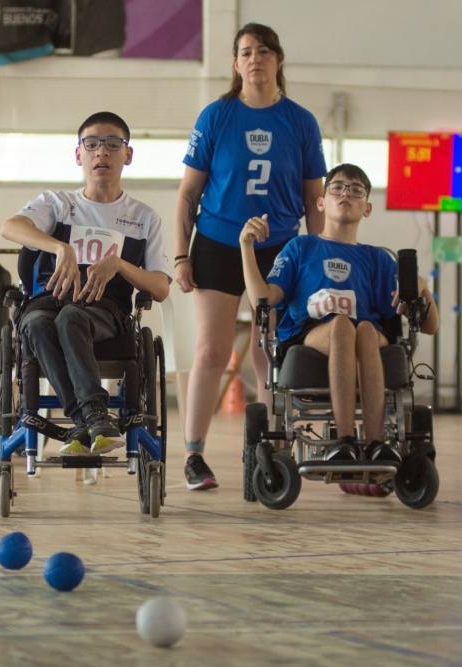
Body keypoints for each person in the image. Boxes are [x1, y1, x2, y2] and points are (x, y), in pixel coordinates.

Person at [173, 22, 327, 490]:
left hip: (279, 247)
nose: (255, 59)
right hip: (219, 242)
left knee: (272, 353)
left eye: (263, 51)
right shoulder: (216, 116)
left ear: (278, 60)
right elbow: (187, 195)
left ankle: (268, 448)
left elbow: (314, 201)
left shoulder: (301, 122)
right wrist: (181, 256)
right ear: (236, 65)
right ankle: (194, 454)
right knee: (211, 349)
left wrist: (316, 261)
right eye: (245, 52)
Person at [241, 164, 440, 461]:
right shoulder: (301, 247)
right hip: (310, 335)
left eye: (356, 189)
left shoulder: (378, 259)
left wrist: (422, 288)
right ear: (321, 202)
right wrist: (245, 246)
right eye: (337, 187)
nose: (346, 192)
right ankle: (344, 439)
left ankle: (376, 444)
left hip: (367, 335)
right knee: (343, 325)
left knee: (363, 329)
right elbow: (263, 302)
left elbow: (430, 326)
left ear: (367, 208)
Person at [0, 111, 171, 455]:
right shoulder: (58, 204)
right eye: (91, 145)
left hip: (104, 311)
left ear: (128, 154)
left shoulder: (144, 218)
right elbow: (9, 226)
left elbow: (160, 287)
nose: (101, 153)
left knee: (71, 317)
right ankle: (91, 417)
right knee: (34, 324)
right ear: (79, 154)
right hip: (49, 300)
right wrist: (57, 246)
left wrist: (119, 264)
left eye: (112, 145)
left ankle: (86, 418)